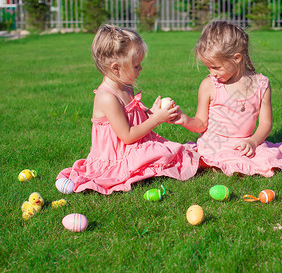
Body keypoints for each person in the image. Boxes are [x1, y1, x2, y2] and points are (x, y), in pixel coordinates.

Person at [57, 24, 200, 194]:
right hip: (116, 156)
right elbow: (127, 136)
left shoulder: (126, 86)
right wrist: (156, 119)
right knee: (165, 154)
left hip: (137, 145)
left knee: (172, 151)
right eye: (136, 66)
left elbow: (134, 119)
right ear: (116, 68)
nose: (140, 69)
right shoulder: (107, 97)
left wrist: (151, 113)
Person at [173, 20, 282, 177]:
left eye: (216, 67)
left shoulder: (261, 84)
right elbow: (201, 124)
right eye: (208, 67)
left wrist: (253, 142)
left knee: (267, 157)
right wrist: (184, 119)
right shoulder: (209, 85)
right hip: (216, 144)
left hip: (245, 142)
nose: (212, 72)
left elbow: (266, 123)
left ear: (236, 58)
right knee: (222, 159)